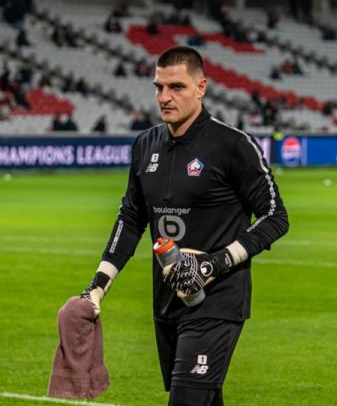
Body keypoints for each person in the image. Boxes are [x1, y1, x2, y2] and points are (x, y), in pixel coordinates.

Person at [77, 46, 289, 406]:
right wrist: (96, 287)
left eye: (176, 87)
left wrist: (213, 263)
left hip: (217, 299)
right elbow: (130, 219)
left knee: (186, 400)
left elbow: (275, 217)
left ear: (201, 87)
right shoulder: (145, 145)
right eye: (159, 87)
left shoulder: (233, 145)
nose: (164, 97)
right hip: (168, 299)